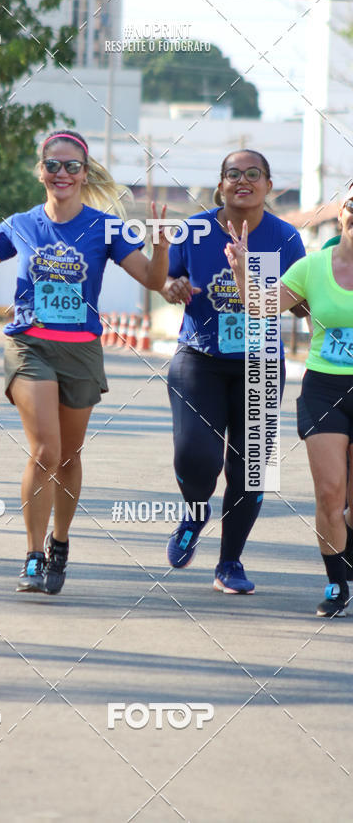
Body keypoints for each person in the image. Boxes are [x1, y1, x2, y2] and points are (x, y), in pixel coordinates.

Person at [0, 129, 170, 595]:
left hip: (80, 349)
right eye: (52, 165)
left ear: (83, 173)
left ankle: (60, 542)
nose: (61, 173)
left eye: (71, 166)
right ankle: (33, 556)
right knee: (46, 451)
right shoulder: (20, 223)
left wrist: (161, 250)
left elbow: (153, 281)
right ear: (41, 171)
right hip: (29, 345)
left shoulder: (106, 228)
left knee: (71, 456)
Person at [161, 150, 306, 594]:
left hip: (260, 362)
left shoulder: (285, 238)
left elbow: (301, 304)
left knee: (250, 470)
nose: (243, 181)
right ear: (220, 183)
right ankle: (194, 513)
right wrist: (174, 288)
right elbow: (168, 282)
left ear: (268, 184)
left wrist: (263, 287)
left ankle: (230, 563)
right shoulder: (194, 230)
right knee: (195, 457)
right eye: (233, 174)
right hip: (200, 359)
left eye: (253, 174)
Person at [226, 186, 353, 616]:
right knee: (329, 493)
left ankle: (346, 546)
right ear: (341, 215)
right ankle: (337, 584)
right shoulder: (314, 267)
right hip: (325, 389)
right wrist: (243, 271)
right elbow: (261, 306)